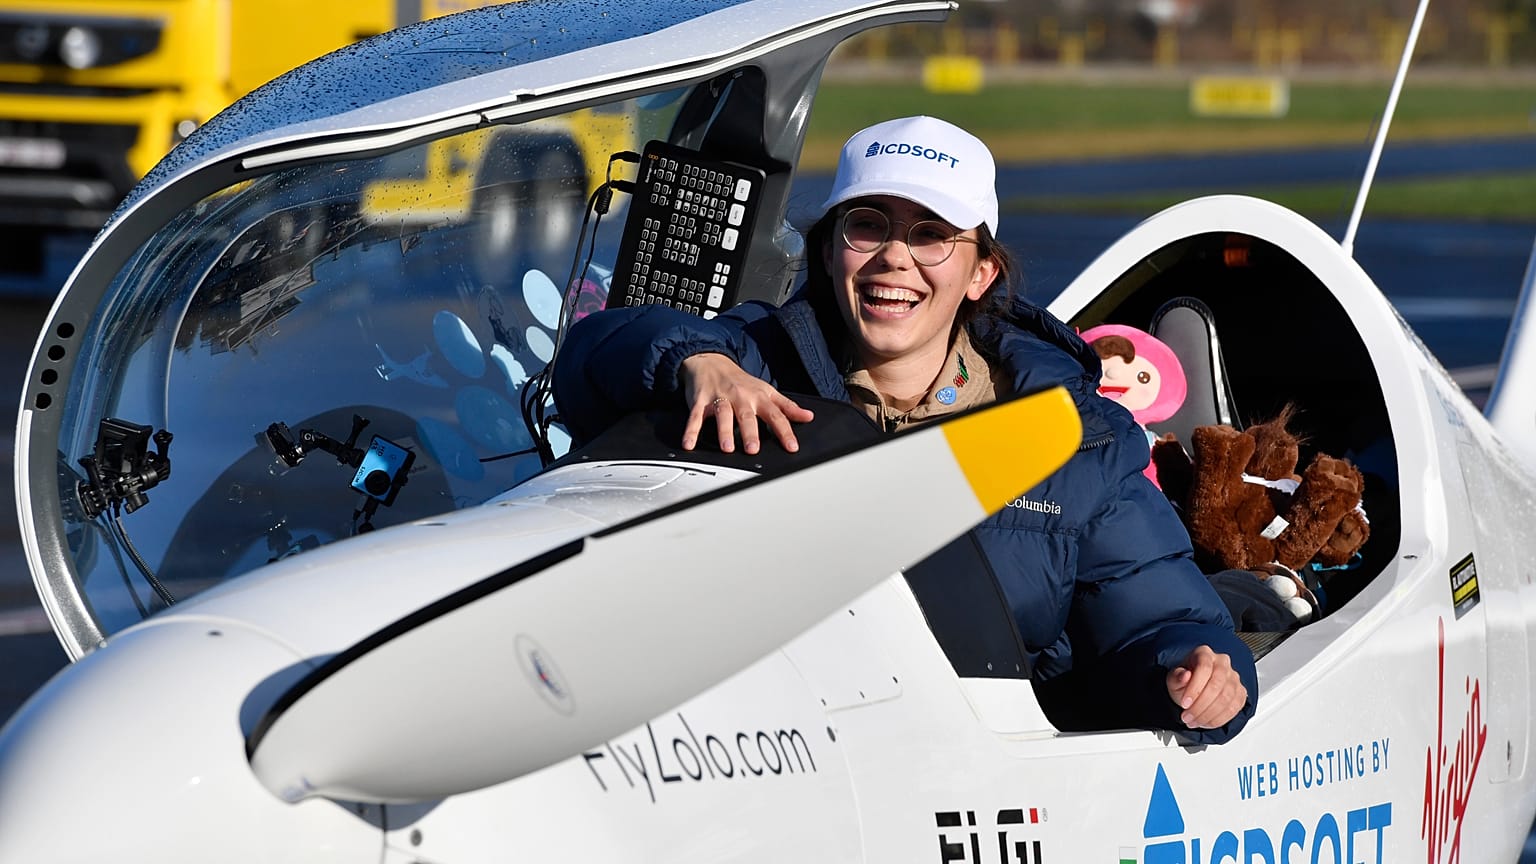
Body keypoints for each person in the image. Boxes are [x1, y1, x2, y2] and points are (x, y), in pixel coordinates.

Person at [554, 115, 1257, 743]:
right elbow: (591, 356)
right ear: (829, 253)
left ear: (981, 273)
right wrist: (695, 360)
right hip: (759, 746)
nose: (895, 256)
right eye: (868, 225)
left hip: (963, 772)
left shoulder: (1077, 437)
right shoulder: (757, 357)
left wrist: (1196, 672)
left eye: (931, 235)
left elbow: (1158, 621)